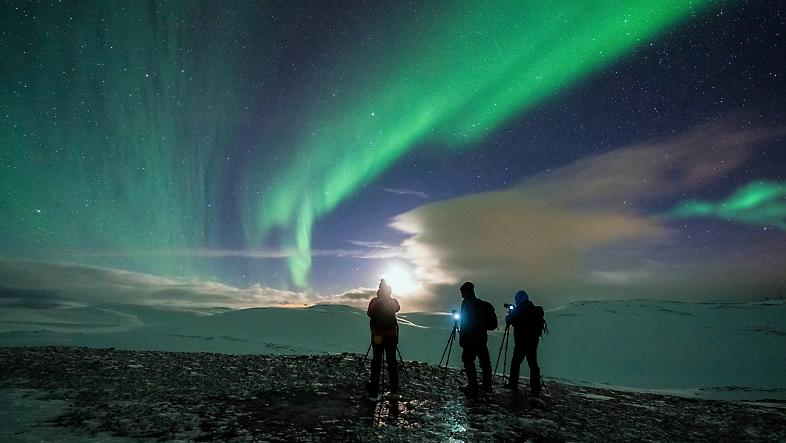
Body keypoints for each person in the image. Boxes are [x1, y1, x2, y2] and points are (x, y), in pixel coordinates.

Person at [458, 281, 493, 396]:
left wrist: (462, 339)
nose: (461, 294)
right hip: (482, 339)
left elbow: (464, 323)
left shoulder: (466, 304)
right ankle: (487, 386)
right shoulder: (482, 305)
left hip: (469, 339)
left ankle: (472, 386)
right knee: (485, 362)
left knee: (468, 361)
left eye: (462, 292)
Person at [366, 279, 400, 397]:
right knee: (391, 361)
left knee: (377, 360)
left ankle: (374, 390)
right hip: (391, 335)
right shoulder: (393, 301)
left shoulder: (374, 301)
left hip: (377, 335)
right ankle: (394, 389)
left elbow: (369, 313)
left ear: (379, 290)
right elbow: (397, 308)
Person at [504, 289, 542, 395]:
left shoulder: (520, 309)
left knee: (516, 362)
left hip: (521, 341)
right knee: (533, 363)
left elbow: (509, 319)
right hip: (533, 341)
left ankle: (513, 383)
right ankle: (536, 387)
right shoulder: (533, 309)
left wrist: (511, 312)